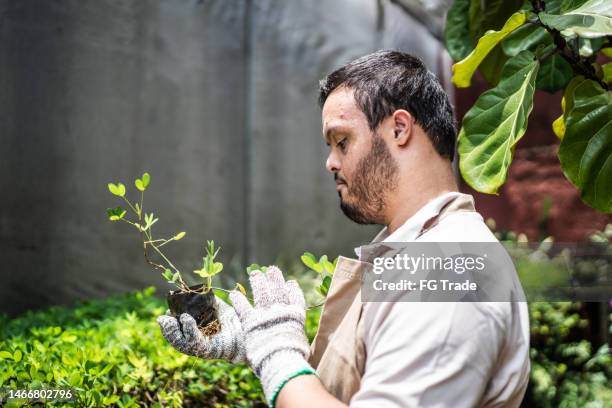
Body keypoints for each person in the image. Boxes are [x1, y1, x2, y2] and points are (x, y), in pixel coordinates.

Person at [157, 50, 530, 407]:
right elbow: (358, 380)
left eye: (342, 141)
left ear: (399, 128)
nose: (330, 163)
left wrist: (278, 356)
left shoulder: (452, 267)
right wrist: (254, 345)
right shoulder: (416, 251)